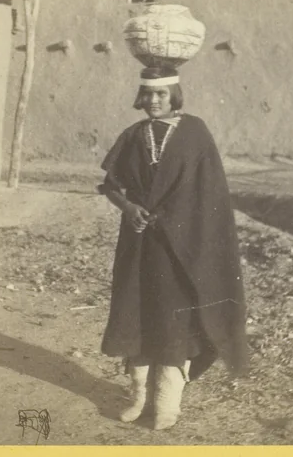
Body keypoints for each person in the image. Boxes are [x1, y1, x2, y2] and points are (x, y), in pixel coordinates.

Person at [97, 66, 248, 430]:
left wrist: (175, 220)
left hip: (181, 245)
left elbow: (208, 191)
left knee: (173, 317)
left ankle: (166, 402)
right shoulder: (133, 135)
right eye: (147, 94)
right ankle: (137, 396)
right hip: (139, 242)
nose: (153, 101)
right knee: (136, 312)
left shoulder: (195, 133)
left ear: (175, 94)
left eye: (161, 94)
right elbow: (112, 185)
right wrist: (129, 208)